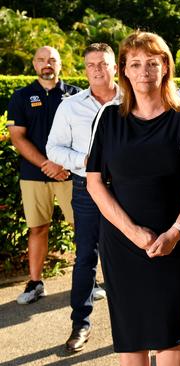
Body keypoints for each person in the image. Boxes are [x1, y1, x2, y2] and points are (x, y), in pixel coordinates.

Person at [85, 31, 180, 365]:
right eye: (136, 63)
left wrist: (176, 230)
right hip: (122, 242)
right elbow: (95, 183)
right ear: (124, 70)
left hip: (176, 242)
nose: (144, 70)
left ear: (165, 67)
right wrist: (133, 232)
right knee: (131, 337)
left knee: (170, 334)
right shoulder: (109, 119)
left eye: (152, 63)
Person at [46, 43, 121, 352]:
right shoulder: (70, 106)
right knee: (85, 258)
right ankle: (81, 324)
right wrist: (84, 160)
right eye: (91, 65)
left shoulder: (133, 100)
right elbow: (53, 149)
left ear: (115, 66)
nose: (97, 70)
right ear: (84, 69)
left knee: (131, 255)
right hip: (86, 189)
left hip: (128, 189)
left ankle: (132, 323)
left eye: (103, 64)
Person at [6, 46, 80, 304]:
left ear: (60, 64)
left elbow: (86, 138)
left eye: (52, 60)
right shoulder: (21, 96)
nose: (46, 64)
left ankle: (88, 281)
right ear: (34, 65)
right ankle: (35, 283)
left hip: (70, 175)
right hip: (35, 175)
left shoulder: (76, 96)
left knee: (83, 227)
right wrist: (48, 164)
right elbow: (18, 137)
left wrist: (65, 166)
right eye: (41, 60)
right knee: (37, 228)